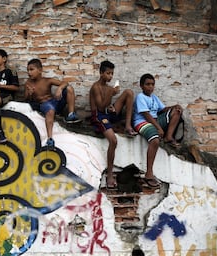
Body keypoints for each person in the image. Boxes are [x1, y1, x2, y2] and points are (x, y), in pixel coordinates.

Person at [89, 60, 138, 189]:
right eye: (108, 73)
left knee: (128, 92)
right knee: (113, 140)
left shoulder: (108, 87)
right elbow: (100, 107)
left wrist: (111, 105)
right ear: (101, 73)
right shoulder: (96, 87)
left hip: (107, 113)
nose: (110, 76)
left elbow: (106, 105)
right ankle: (110, 174)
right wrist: (111, 93)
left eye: (112, 73)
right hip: (99, 116)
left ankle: (128, 126)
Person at [132, 73, 183, 187]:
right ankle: (149, 173)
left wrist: (175, 106)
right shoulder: (140, 97)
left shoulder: (154, 97)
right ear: (141, 86)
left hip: (155, 121)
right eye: (147, 84)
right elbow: (146, 115)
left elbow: (163, 109)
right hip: (142, 122)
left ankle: (169, 136)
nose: (150, 87)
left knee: (176, 112)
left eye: (152, 84)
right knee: (155, 140)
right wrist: (158, 128)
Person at [24, 58, 82, 148]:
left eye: (31, 69)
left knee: (69, 88)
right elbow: (26, 98)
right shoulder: (28, 83)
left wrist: (60, 88)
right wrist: (30, 93)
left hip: (55, 103)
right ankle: (50, 138)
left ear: (40, 70)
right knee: (50, 109)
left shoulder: (48, 80)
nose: (29, 72)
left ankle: (71, 115)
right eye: (28, 70)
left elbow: (65, 83)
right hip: (44, 105)